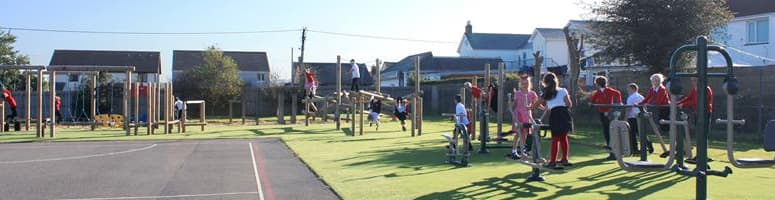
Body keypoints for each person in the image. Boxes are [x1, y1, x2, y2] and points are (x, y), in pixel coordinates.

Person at [532, 72, 573, 168]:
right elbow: (569, 104)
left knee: (555, 139)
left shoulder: (546, 93)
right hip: (564, 114)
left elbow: (536, 104)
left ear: (545, 83)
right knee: (563, 137)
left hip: (555, 115)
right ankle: (564, 160)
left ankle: (553, 161)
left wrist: (530, 108)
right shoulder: (563, 90)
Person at [677, 77, 714, 163]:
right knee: (699, 134)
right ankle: (700, 155)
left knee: (703, 134)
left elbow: (697, 101)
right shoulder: (695, 89)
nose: (693, 82)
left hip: (705, 113)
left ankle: (703, 155)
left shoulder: (705, 89)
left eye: (695, 80)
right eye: (692, 80)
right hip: (697, 113)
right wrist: (678, 103)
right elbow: (689, 98)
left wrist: (683, 104)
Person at [586, 76, 623, 160]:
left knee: (611, 131)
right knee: (606, 132)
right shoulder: (598, 92)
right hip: (602, 113)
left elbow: (617, 93)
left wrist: (620, 102)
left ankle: (614, 152)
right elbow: (593, 99)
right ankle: (611, 152)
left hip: (609, 113)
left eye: (596, 83)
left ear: (598, 84)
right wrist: (591, 103)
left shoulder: (609, 90)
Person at [638, 73, 669, 155]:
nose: (655, 81)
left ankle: (677, 146)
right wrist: (640, 103)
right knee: (659, 126)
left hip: (665, 109)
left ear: (660, 81)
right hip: (658, 109)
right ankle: (666, 149)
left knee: (666, 127)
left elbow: (658, 101)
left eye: (657, 80)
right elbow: (647, 98)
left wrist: (648, 103)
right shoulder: (652, 89)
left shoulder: (662, 89)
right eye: (654, 80)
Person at [508, 75, 538, 160]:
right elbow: (514, 104)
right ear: (520, 84)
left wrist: (545, 108)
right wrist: (510, 106)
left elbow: (536, 104)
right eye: (523, 83)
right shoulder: (518, 93)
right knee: (518, 133)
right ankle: (514, 150)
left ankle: (523, 150)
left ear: (529, 83)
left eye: (527, 83)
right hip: (518, 114)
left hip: (527, 115)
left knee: (525, 133)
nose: (525, 85)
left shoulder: (532, 93)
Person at [625, 83, 647, 156]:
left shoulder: (630, 98)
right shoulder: (641, 97)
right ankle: (648, 146)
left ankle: (635, 149)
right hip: (641, 116)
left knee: (632, 134)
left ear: (632, 89)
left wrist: (626, 118)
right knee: (641, 132)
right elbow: (645, 107)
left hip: (633, 117)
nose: (627, 90)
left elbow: (629, 108)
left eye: (628, 89)